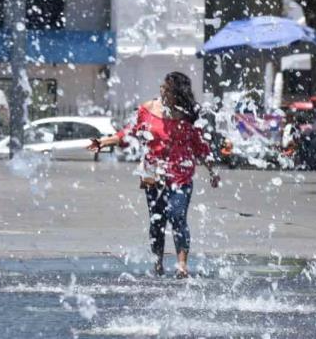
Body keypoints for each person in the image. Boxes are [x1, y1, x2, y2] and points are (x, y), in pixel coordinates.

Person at [87, 72, 220, 278]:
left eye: (167, 89)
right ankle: (158, 262)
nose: (162, 91)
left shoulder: (189, 115)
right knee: (157, 222)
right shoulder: (148, 109)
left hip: (181, 176)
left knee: (178, 216)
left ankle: (182, 265)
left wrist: (213, 171)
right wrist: (104, 142)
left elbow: (200, 146)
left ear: (178, 93)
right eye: (162, 87)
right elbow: (131, 132)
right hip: (154, 175)